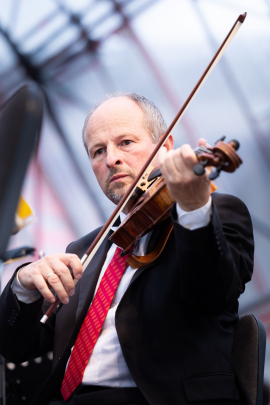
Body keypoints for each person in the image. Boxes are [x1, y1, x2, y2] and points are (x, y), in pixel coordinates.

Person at [0, 93, 254, 405]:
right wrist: (22, 286)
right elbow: (15, 348)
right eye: (98, 151)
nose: (111, 159)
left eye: (126, 143)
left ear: (166, 147)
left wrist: (194, 210)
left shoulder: (215, 213)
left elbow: (212, 294)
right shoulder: (83, 249)